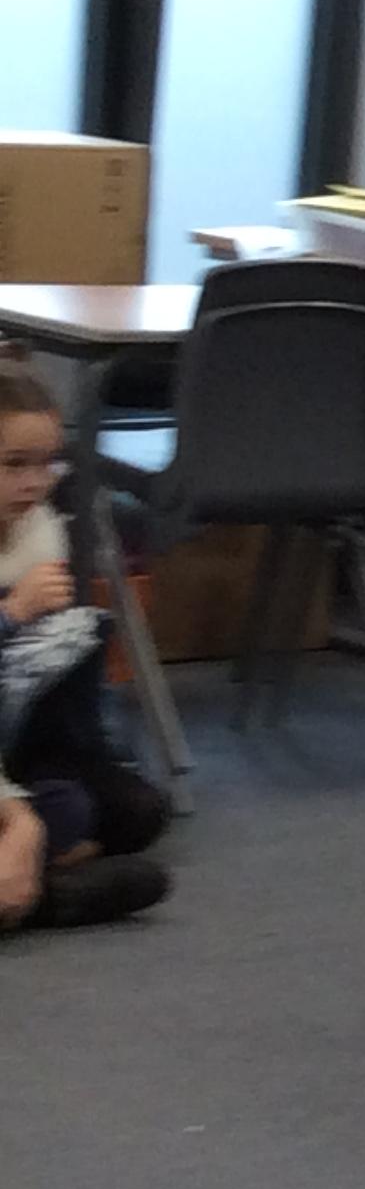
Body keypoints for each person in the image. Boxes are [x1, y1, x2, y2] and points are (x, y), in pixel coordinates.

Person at [0, 363, 170, 932]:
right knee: (62, 816)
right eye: (14, 465)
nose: (36, 483)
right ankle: (50, 895)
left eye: (46, 463)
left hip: (19, 748)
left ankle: (31, 878)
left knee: (135, 809)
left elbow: (66, 684)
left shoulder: (41, 536)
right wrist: (10, 613)